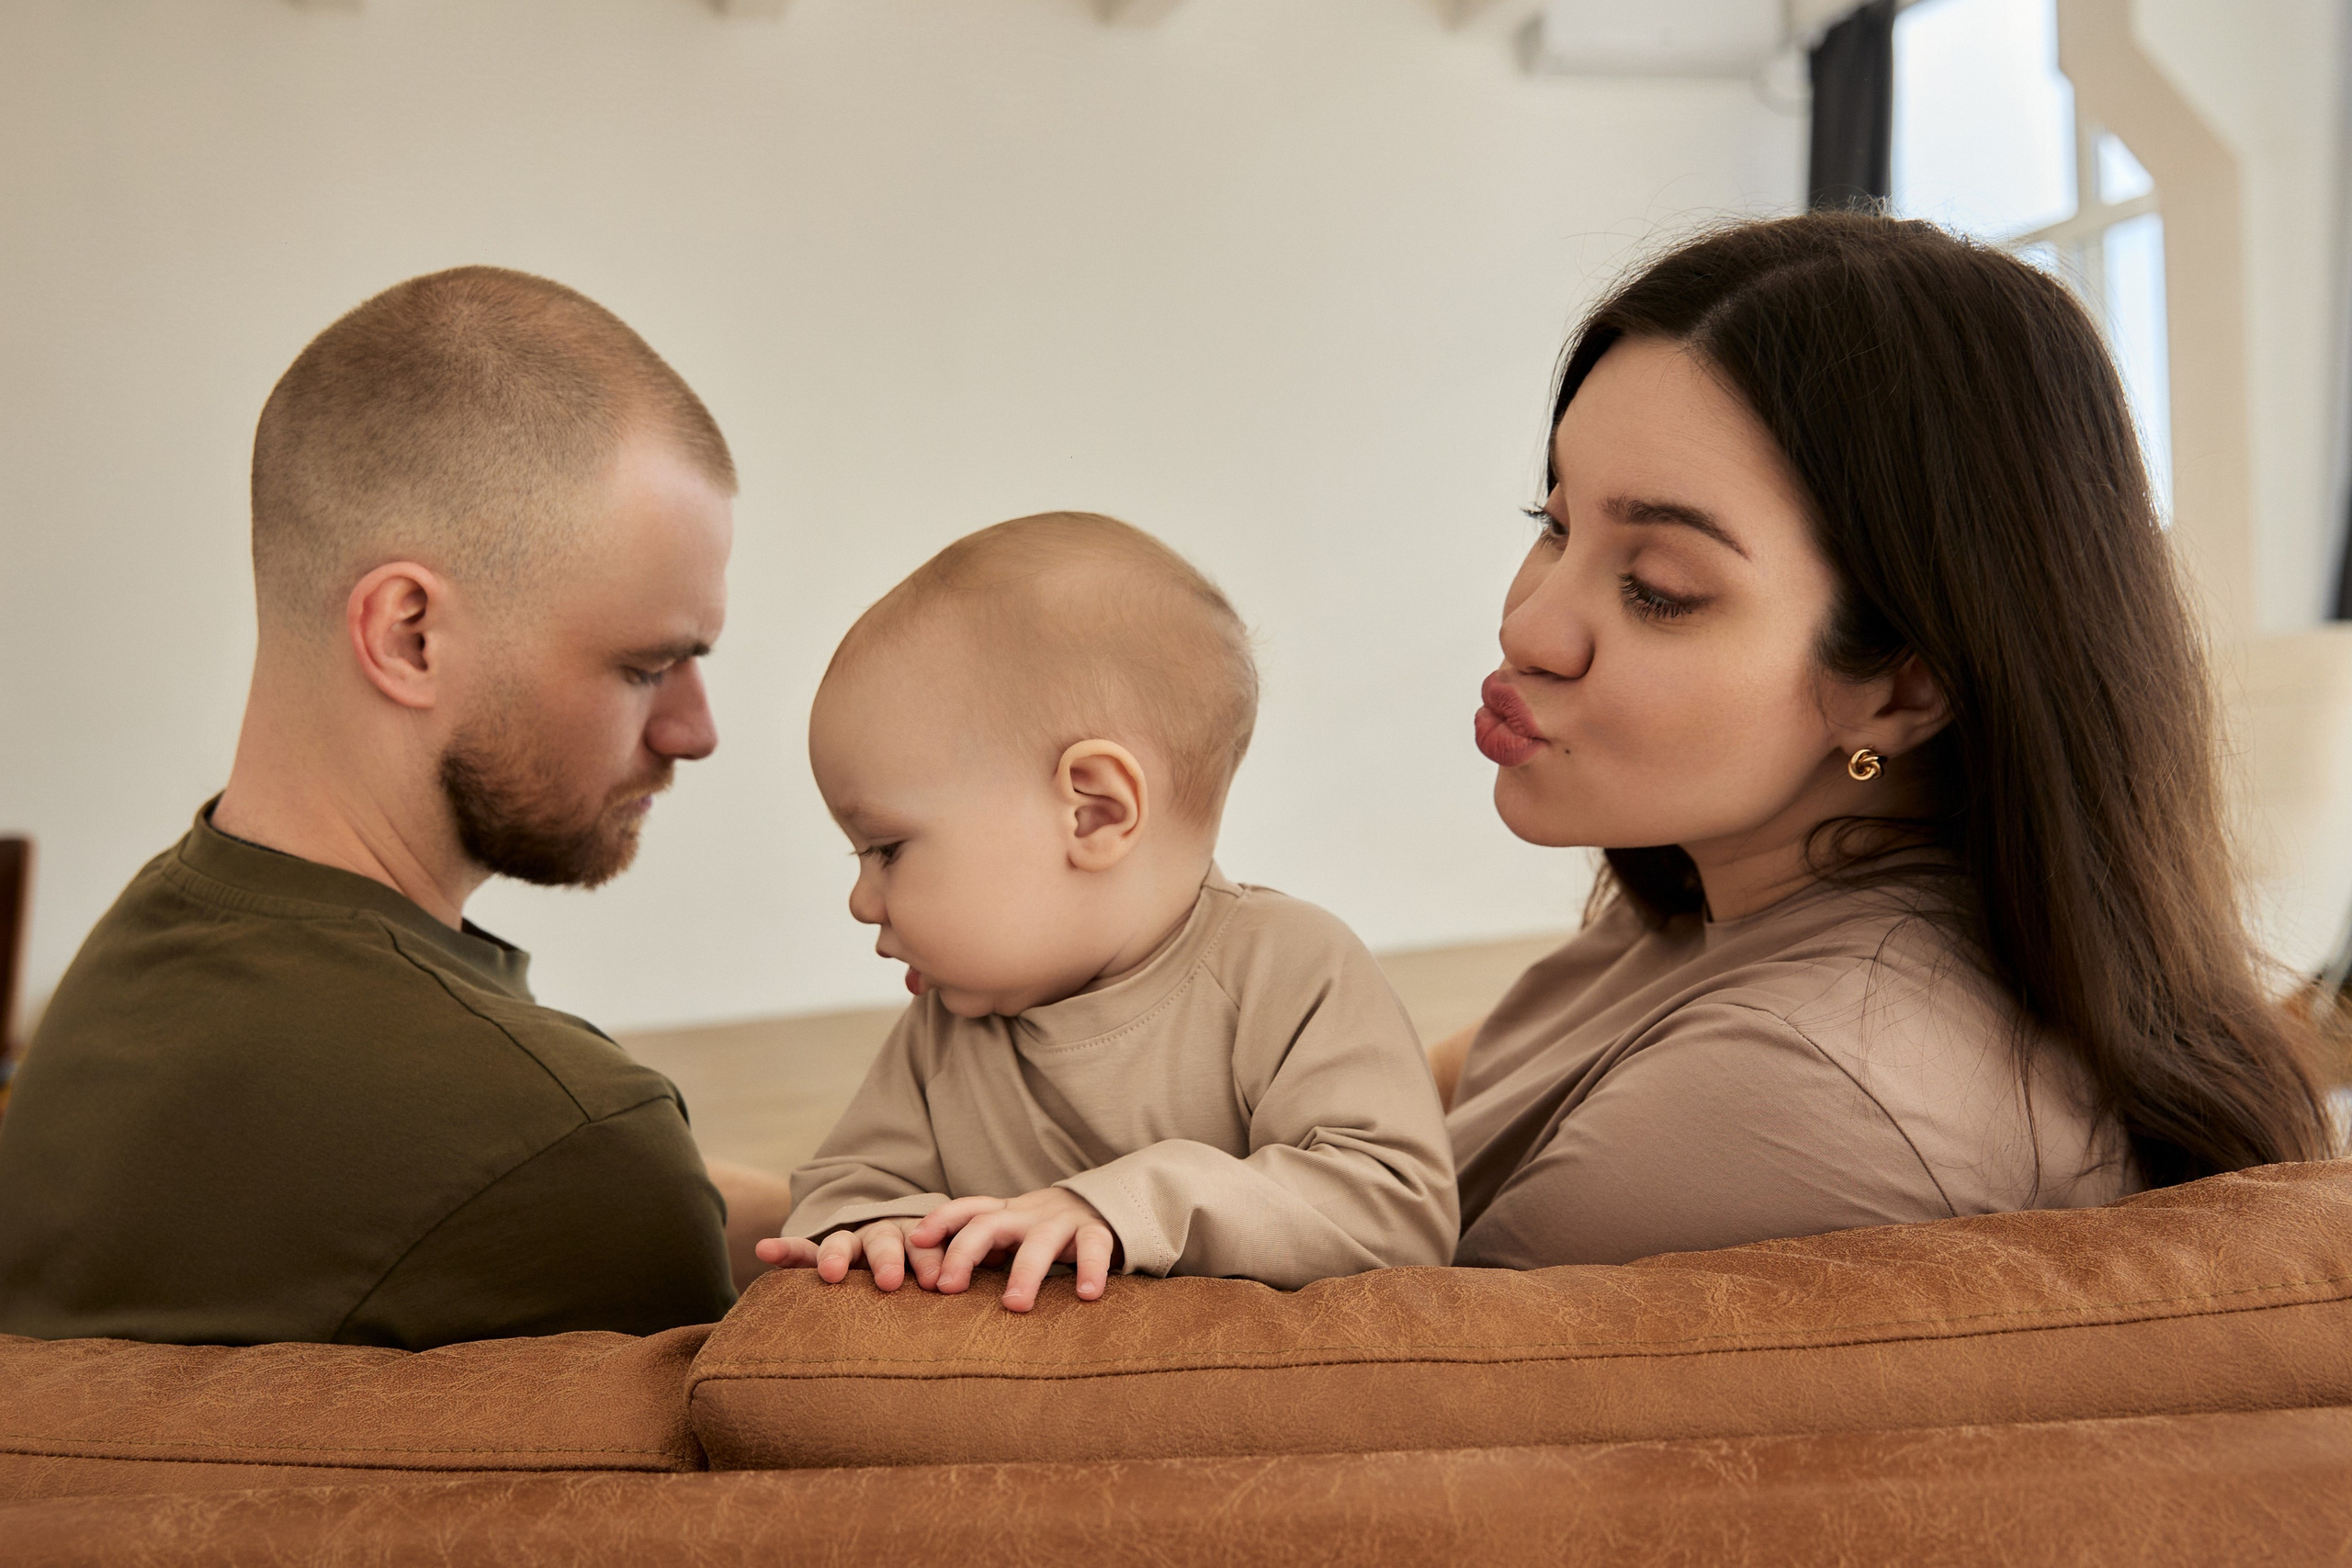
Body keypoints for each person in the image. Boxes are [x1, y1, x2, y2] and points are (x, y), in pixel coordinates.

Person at [1432, 212, 2333, 1269]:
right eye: (1553, 525)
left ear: (1904, 686)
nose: (1526, 625)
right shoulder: (1719, 902)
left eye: (1658, 589)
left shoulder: (1797, 1091)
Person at [0, 266, 776, 1348]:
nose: (695, 729)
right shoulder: (571, 1141)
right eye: (650, 665)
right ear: (409, 633)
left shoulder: (134, 977)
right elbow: (571, 1163)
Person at [755, 513, 1458, 1312]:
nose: (860, 901)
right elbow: (847, 1186)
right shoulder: (947, 1028)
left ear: (1092, 812)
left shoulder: (1289, 967)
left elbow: (1400, 1208)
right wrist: (874, 1227)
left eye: (885, 848)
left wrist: (1126, 1205)